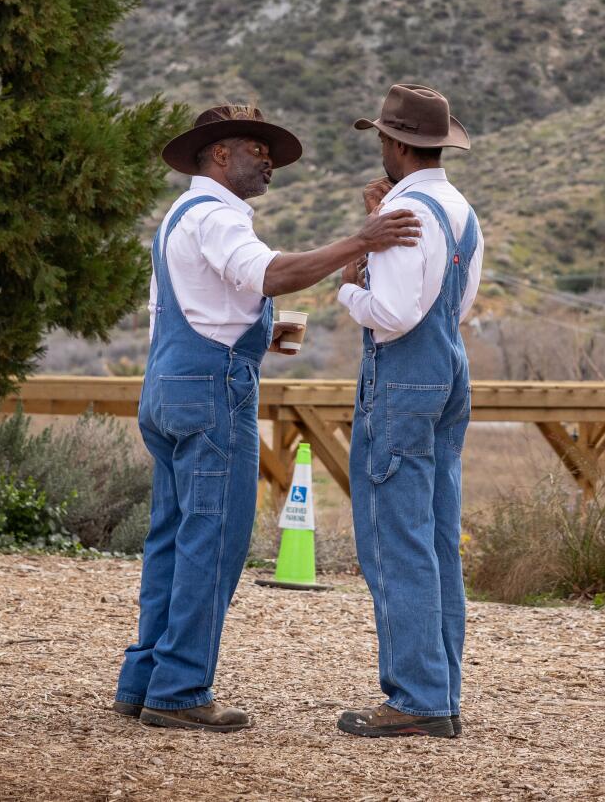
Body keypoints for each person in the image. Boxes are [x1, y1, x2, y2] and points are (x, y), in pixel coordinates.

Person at [115, 103, 421, 732]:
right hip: (212, 393)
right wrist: (362, 240)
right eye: (258, 148)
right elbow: (272, 273)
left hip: (169, 383)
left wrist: (258, 330)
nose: (270, 161)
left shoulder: (180, 216)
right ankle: (179, 689)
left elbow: (200, 305)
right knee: (215, 540)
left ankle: (142, 678)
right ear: (218, 154)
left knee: (171, 537)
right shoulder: (221, 218)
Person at [334, 84, 484, 740]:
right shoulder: (459, 208)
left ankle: (417, 696)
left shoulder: (404, 212)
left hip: (400, 375)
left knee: (395, 539)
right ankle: (440, 687)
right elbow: (458, 303)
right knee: (434, 535)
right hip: (449, 368)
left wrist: (346, 286)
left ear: (395, 144)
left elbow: (392, 314)